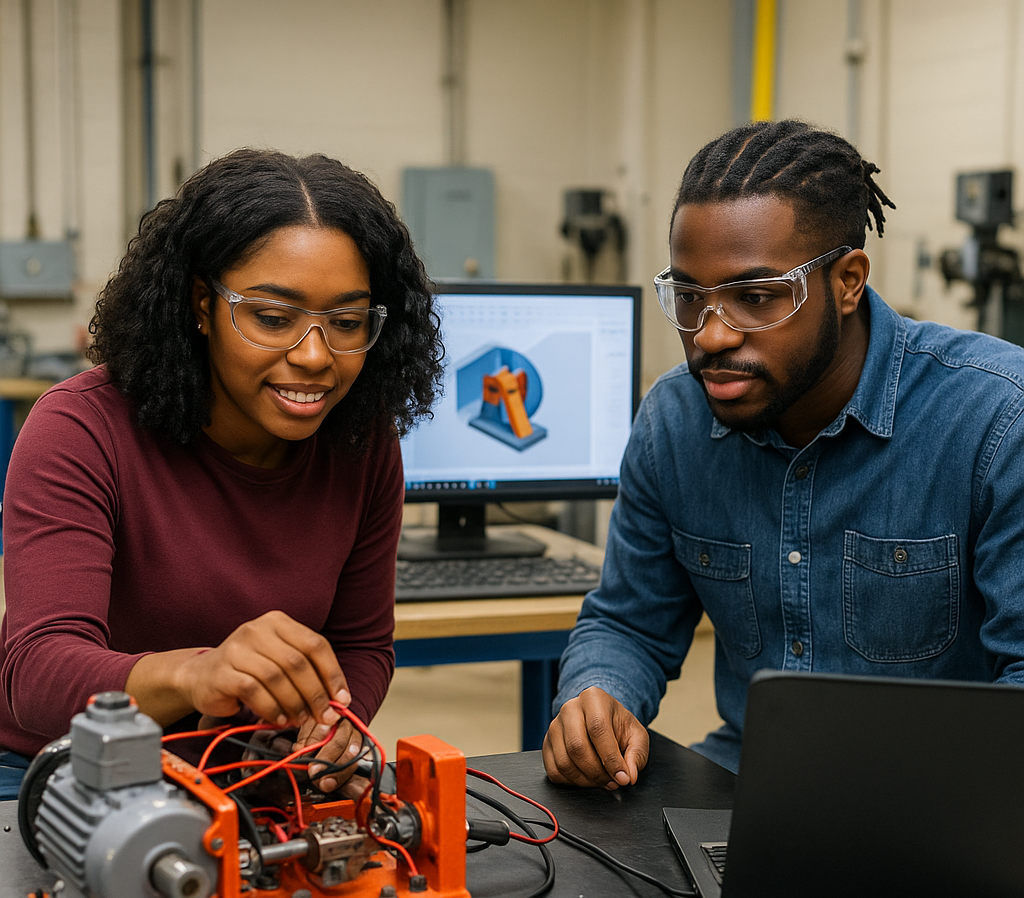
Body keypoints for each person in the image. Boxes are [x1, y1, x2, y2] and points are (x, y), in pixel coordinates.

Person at [543, 119, 1024, 789]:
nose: (710, 335)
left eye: (755, 298)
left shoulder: (996, 418)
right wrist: (598, 698)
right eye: (688, 297)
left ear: (848, 280)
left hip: (937, 801)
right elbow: (629, 621)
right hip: (747, 779)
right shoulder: (674, 421)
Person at [0, 149, 443, 799]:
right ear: (202, 306)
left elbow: (361, 647)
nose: (316, 356)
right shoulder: (80, 431)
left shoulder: (361, 441)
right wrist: (195, 676)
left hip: (246, 772)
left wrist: (332, 725)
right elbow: (36, 674)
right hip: (59, 773)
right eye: (272, 317)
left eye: (346, 323)